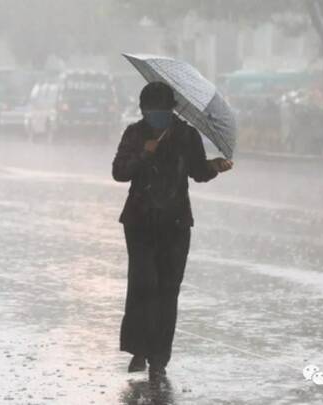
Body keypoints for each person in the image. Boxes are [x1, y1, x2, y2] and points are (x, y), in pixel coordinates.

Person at [112, 81, 233, 380]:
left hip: (176, 224)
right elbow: (119, 171)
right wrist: (144, 154)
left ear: (171, 110)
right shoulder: (134, 134)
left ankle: (159, 358)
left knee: (168, 291)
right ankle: (139, 349)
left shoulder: (186, 136)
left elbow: (197, 171)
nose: (156, 116)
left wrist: (215, 166)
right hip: (140, 223)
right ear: (142, 111)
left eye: (162, 110)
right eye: (151, 111)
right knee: (143, 285)